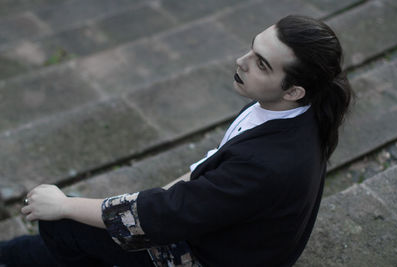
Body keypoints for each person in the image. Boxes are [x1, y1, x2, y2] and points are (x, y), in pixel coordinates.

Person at [0, 15, 352, 267]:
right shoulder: (294, 111)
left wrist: (63, 205)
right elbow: (199, 183)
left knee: (60, 223)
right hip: (232, 235)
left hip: (210, 257)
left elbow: (164, 216)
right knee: (64, 237)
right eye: (251, 50)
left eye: (260, 64)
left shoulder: (269, 164)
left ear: (294, 90)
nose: (240, 62)